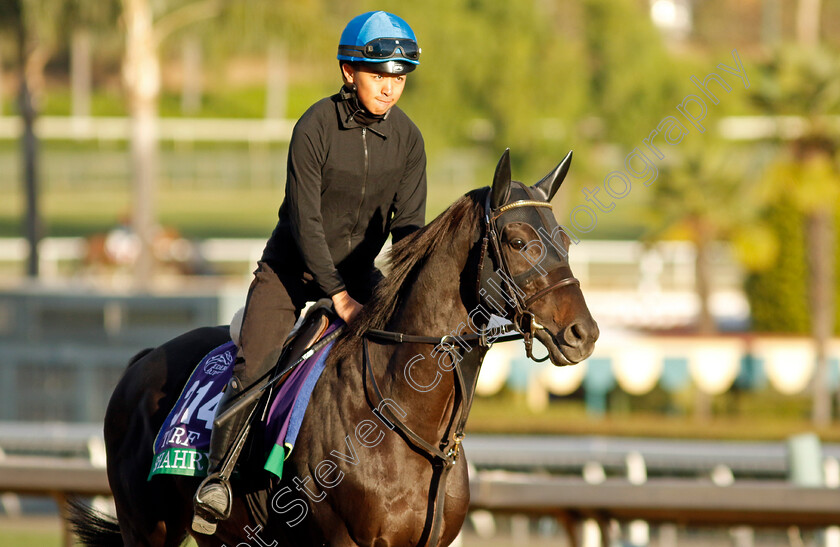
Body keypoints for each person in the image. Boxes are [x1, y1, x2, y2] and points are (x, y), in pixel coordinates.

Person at [192, 10, 427, 533]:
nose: (390, 88)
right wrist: (339, 297)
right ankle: (218, 480)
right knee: (255, 364)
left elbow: (408, 228)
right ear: (349, 71)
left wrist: (411, 291)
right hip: (290, 268)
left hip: (360, 273)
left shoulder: (410, 140)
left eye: (399, 77)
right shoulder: (315, 126)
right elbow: (306, 223)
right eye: (379, 75)